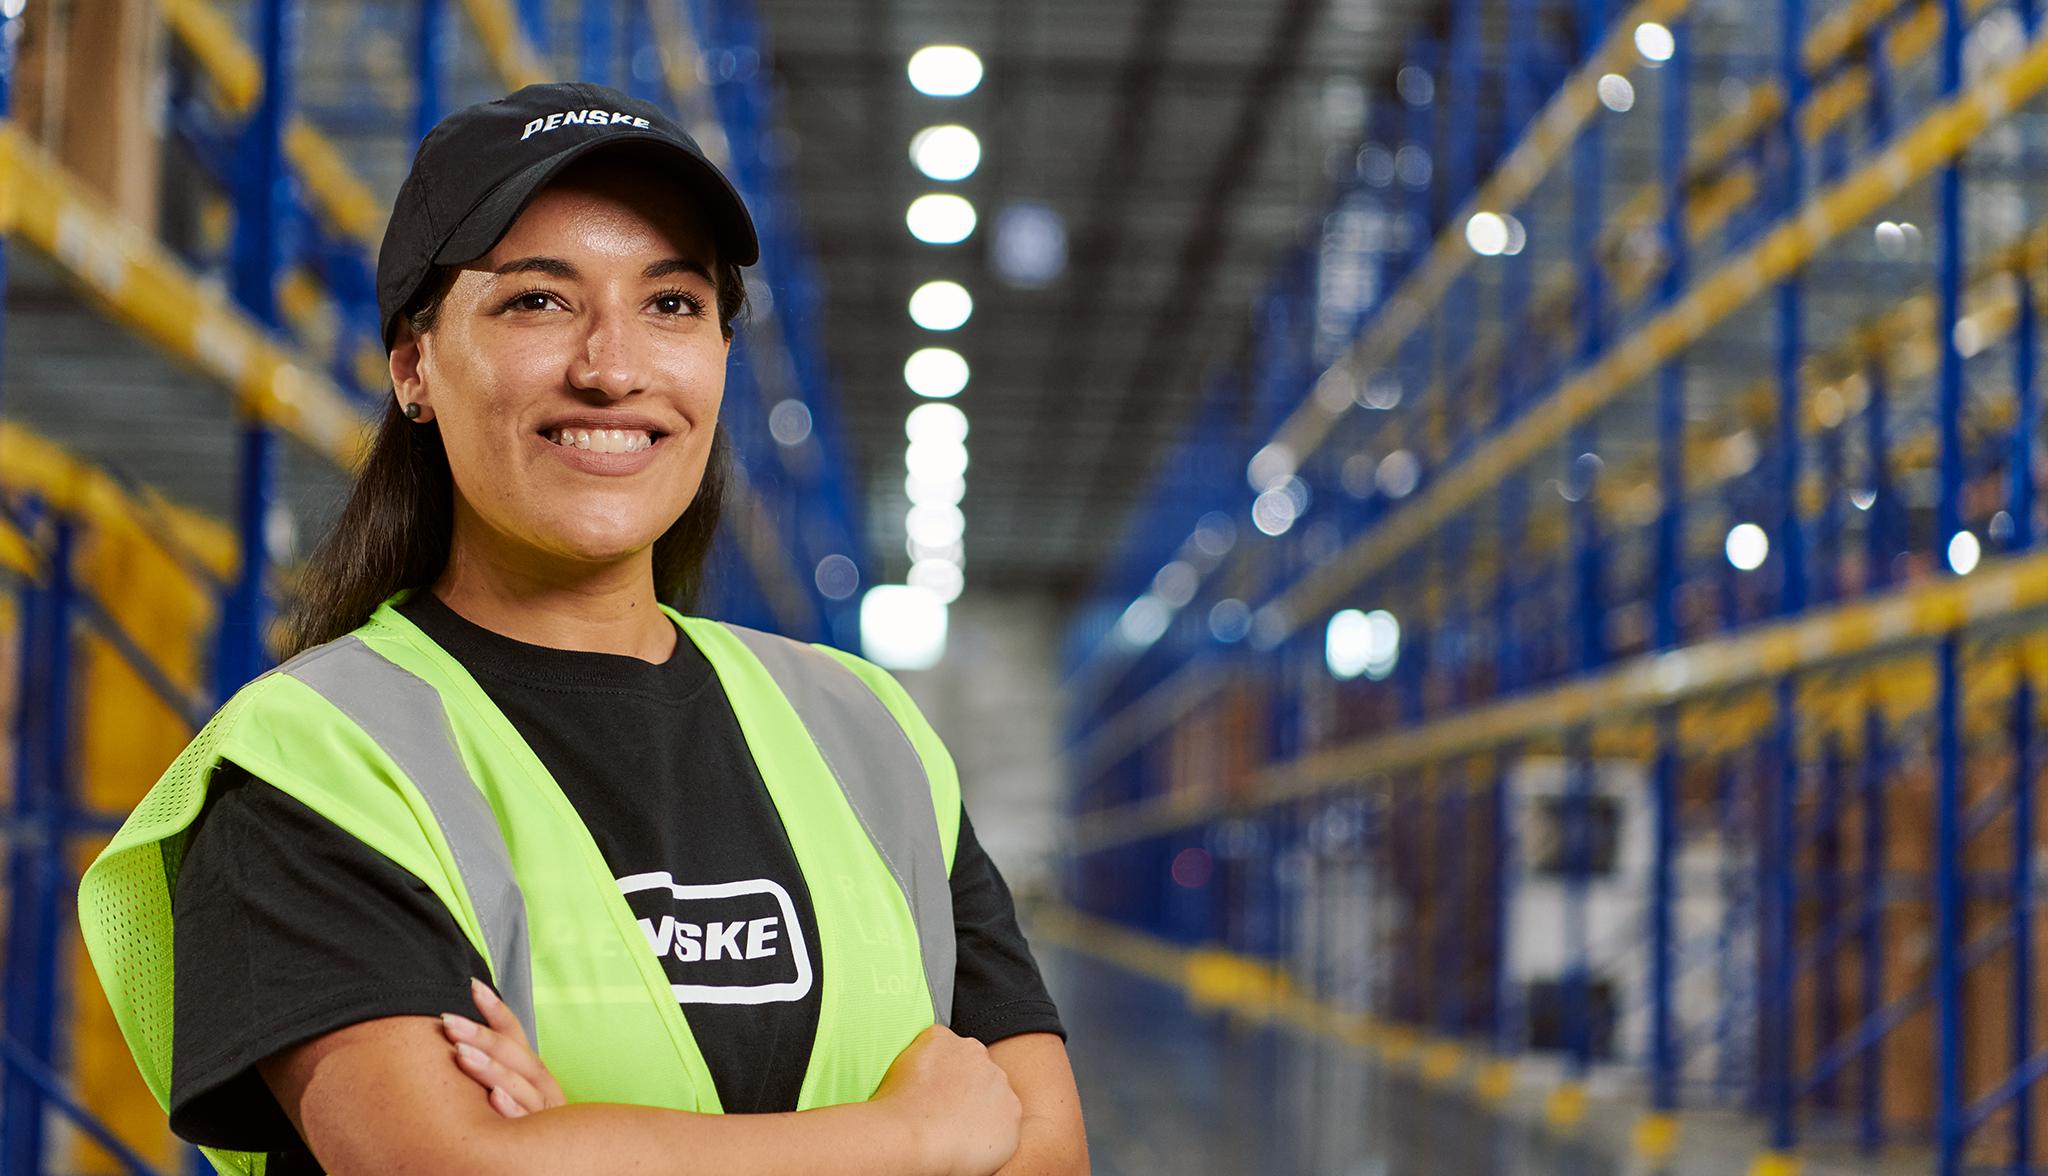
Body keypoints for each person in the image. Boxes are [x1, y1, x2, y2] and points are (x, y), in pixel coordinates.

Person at [79, 81, 1087, 1176]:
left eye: (671, 305)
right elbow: (445, 1166)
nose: (613, 369)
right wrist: (917, 1136)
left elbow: (1047, 1153)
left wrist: (587, 1143)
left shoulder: (866, 735)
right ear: (413, 366)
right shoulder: (319, 758)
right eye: (537, 303)